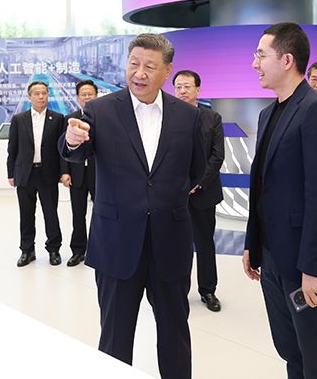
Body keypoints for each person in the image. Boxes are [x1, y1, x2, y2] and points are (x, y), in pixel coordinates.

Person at [59, 33, 206, 379]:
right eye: (134, 64)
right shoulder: (100, 110)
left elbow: (196, 169)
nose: (139, 73)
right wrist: (71, 140)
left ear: (167, 70)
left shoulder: (188, 116)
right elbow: (76, 151)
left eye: (149, 66)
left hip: (169, 241)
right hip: (116, 243)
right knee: (115, 336)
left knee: (174, 333)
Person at [243, 23, 317, 379]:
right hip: (272, 255)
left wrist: (313, 269)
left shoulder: (316, 110)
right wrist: (252, 243)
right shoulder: (268, 113)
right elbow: (262, 186)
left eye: (261, 55)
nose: (255, 63)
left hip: (305, 262)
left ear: (287, 60)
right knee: (291, 349)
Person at [173, 69, 225, 312]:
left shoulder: (212, 118)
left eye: (187, 86)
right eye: (178, 86)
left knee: (205, 244)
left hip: (204, 192)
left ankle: (208, 291)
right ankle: (178, 291)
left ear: (197, 90)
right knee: (178, 245)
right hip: (175, 194)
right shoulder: (167, 117)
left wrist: (198, 183)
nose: (182, 90)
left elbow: (217, 156)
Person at [7, 81, 65, 267]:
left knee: (51, 214)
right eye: (37, 93)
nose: (41, 97)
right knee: (26, 215)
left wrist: (63, 171)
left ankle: (54, 250)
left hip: (48, 173)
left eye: (44, 93)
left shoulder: (58, 118)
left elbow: (62, 149)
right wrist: (11, 173)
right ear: (29, 97)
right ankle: (27, 250)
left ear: (48, 95)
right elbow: (12, 148)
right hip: (25, 174)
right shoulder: (19, 119)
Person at [58, 79, 98, 267]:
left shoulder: (104, 118)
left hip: (99, 175)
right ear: (77, 97)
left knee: (102, 215)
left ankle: (100, 250)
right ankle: (78, 251)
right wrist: (64, 172)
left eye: (90, 94)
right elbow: (63, 149)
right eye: (84, 94)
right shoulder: (70, 119)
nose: (87, 97)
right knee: (77, 214)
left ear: (96, 96)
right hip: (77, 174)